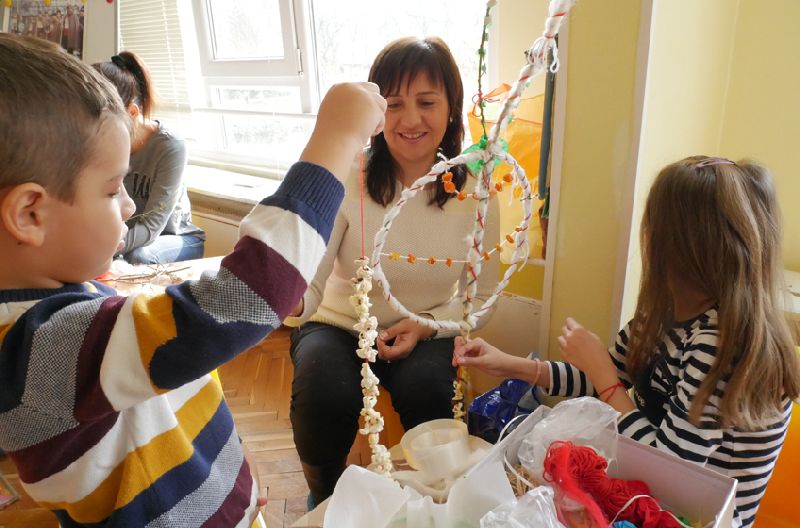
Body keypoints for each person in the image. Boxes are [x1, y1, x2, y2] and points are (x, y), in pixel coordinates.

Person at [0, 33, 385, 526]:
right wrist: (336, 139)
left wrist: (229, 473)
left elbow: (164, 400)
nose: (130, 206)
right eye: (113, 189)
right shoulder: (36, 350)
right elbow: (246, 297)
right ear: (30, 214)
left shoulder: (64, 307)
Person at [453, 155, 800, 528]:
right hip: (652, 492)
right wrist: (510, 364)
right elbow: (600, 377)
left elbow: (671, 470)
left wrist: (603, 376)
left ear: (683, 246)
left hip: (700, 515)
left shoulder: (720, 345)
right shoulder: (666, 312)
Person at [285, 35, 501, 508]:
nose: (410, 120)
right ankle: (324, 495)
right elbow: (312, 280)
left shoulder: (478, 190)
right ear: (376, 112)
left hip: (427, 326)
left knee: (430, 391)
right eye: (395, 104)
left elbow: (483, 297)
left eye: (427, 102)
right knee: (323, 392)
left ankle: (433, 499)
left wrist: (426, 325)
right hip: (339, 323)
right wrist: (285, 298)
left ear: (451, 108)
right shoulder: (349, 174)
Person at [93, 51, 206, 265]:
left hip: (177, 237)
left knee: (137, 257)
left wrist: (102, 247)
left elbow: (152, 226)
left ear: (132, 112)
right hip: (125, 236)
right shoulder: (101, 143)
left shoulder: (171, 146)